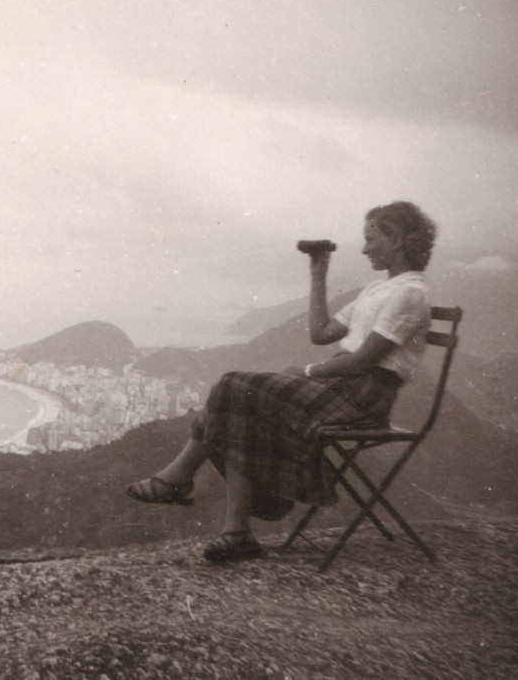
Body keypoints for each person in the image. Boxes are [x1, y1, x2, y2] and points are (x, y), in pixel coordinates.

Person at [125, 201, 436, 563]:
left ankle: (184, 484)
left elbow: (365, 360)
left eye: (372, 239)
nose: (365, 248)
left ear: (396, 239)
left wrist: (306, 372)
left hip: (363, 395)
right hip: (341, 386)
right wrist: (318, 273)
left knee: (234, 387)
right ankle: (230, 528)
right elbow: (320, 332)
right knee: (234, 392)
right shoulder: (376, 291)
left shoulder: (411, 292)